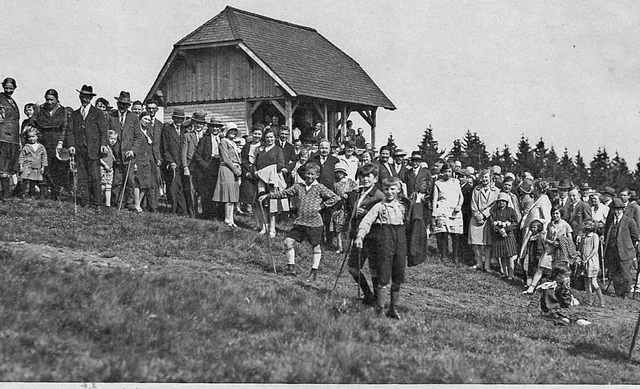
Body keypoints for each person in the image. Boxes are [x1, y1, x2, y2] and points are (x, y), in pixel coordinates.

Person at [260, 161, 340, 280]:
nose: (310, 176)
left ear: (317, 175)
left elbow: (335, 197)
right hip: (300, 222)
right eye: (308, 174)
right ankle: (290, 267)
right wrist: (268, 196)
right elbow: (284, 193)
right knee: (288, 242)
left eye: (313, 174)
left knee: (316, 247)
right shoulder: (299, 186)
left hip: (315, 223)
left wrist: (322, 206)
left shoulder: (319, 188)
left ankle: (314, 271)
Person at [355, 176, 408, 319]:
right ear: (383, 190)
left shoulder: (403, 206)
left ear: (398, 189)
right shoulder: (379, 206)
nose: (389, 192)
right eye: (386, 189)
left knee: (398, 277)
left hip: (400, 243)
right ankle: (380, 309)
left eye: (392, 189)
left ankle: (393, 309)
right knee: (383, 277)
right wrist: (360, 236)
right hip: (385, 242)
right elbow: (366, 221)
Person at [347, 163, 385, 305]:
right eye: (362, 176)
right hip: (359, 236)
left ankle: (376, 299)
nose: (365, 179)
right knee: (353, 268)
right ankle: (368, 294)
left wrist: (369, 214)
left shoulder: (379, 195)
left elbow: (384, 216)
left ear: (375, 179)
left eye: (369, 176)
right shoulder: (358, 192)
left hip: (373, 237)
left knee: (374, 269)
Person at [67, 85, 109, 208]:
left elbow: (103, 131)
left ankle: (97, 203)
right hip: (80, 150)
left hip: (94, 151)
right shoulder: (74, 114)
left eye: (87, 97)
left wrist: (103, 144)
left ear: (90, 98)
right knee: (82, 178)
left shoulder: (98, 113)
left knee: (95, 178)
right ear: (80, 97)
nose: (84, 99)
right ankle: (85, 202)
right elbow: (70, 131)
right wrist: (71, 145)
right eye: (82, 96)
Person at [30, 88, 68, 200]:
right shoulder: (40, 109)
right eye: (47, 99)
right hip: (43, 140)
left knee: (56, 167)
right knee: (43, 166)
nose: (49, 102)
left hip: (57, 141)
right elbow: (33, 123)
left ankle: (55, 193)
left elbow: (65, 127)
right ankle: (43, 192)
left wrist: (61, 142)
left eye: (52, 100)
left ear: (57, 99)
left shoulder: (63, 111)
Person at [109, 91, 141, 210]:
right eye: (121, 104)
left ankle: (129, 203)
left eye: (126, 105)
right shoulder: (111, 116)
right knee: (117, 180)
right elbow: (108, 136)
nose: (123, 107)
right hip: (116, 154)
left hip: (129, 155)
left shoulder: (134, 118)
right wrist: (111, 151)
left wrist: (133, 150)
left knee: (130, 180)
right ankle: (117, 202)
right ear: (117, 103)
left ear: (129, 106)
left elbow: (138, 137)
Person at [254, 127, 288, 237]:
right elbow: (255, 164)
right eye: (267, 137)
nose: (269, 139)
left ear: (275, 138)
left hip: (272, 181)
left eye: (271, 137)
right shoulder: (260, 150)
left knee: (272, 204)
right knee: (262, 203)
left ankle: (272, 228)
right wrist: (256, 172)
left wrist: (267, 171)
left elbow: (281, 164)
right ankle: (264, 226)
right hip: (261, 181)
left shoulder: (278, 150)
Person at [604, 198, 639, 298]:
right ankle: (618, 292)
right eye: (614, 209)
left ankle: (626, 293)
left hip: (625, 251)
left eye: (618, 209)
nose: (616, 211)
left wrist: (628, 246)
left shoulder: (629, 221)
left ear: (622, 209)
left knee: (626, 274)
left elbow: (635, 237)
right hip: (612, 251)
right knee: (615, 273)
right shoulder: (610, 221)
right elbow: (607, 233)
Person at [192, 113, 223, 219]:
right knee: (208, 192)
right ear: (209, 127)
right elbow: (197, 155)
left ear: (220, 129)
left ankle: (220, 214)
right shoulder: (205, 139)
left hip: (220, 166)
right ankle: (208, 214)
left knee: (219, 191)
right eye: (213, 126)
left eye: (217, 127)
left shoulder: (222, 139)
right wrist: (205, 166)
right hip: (208, 167)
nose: (215, 128)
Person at [469, 168, 500, 271]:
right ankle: (478, 262)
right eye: (482, 177)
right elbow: (473, 203)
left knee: (487, 243)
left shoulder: (496, 191)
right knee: (475, 241)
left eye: (486, 177)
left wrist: (484, 215)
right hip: (476, 218)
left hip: (488, 219)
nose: (484, 179)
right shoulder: (476, 189)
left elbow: (495, 205)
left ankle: (487, 264)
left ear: (490, 178)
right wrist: (477, 215)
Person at [432, 163, 464, 262]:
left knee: (455, 235)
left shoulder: (456, 182)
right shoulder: (438, 183)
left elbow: (461, 196)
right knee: (443, 234)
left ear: (452, 172)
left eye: (449, 171)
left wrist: (459, 205)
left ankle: (455, 257)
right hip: (442, 210)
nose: (447, 173)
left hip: (454, 211)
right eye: (445, 171)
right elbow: (435, 199)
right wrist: (434, 213)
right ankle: (444, 255)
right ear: (442, 172)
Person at [213, 123, 242, 227]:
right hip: (227, 169)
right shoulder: (223, 142)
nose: (233, 133)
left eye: (235, 131)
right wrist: (236, 170)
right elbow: (226, 159)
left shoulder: (233, 143)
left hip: (234, 168)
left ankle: (231, 219)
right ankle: (227, 219)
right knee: (229, 195)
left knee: (233, 196)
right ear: (227, 132)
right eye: (231, 131)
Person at [161, 108, 188, 214]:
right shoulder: (167, 129)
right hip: (172, 164)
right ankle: (173, 210)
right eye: (177, 118)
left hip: (182, 163)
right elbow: (165, 148)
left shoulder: (184, 131)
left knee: (181, 187)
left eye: (181, 119)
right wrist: (170, 161)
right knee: (172, 187)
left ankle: (182, 210)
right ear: (173, 118)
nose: (179, 121)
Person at [488, 193, 519, 279]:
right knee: (502, 255)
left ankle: (511, 274)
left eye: (503, 201)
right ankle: (504, 272)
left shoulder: (511, 211)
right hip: (499, 235)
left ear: (506, 202)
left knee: (509, 255)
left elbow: (515, 223)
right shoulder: (494, 212)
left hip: (508, 235)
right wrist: (499, 230)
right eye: (500, 201)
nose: (501, 203)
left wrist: (506, 229)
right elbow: (492, 223)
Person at [182, 111, 206, 217]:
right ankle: (192, 213)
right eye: (196, 123)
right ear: (193, 124)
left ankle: (203, 212)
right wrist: (185, 167)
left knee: (202, 189)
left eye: (201, 124)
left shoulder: (206, 136)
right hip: (191, 166)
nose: (198, 126)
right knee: (191, 190)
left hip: (202, 168)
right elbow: (183, 153)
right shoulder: (188, 136)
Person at [0, 78, 21, 199]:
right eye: (6, 88)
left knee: (8, 166)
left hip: (12, 138)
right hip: (3, 137)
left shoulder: (12, 101)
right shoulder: (0, 99)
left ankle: (6, 194)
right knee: (2, 166)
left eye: (11, 88)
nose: (8, 90)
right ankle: (6, 194)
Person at [331, 162, 357, 253]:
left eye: (341, 172)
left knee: (349, 227)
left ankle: (350, 247)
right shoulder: (334, 183)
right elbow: (332, 194)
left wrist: (349, 195)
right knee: (339, 227)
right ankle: (340, 246)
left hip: (349, 207)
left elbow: (356, 192)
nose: (339, 174)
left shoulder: (350, 182)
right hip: (339, 207)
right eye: (337, 172)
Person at [133, 111, 156, 212]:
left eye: (149, 120)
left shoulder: (149, 131)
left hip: (147, 160)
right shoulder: (136, 130)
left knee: (146, 184)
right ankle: (136, 205)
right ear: (140, 118)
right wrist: (133, 162)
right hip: (138, 159)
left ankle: (138, 203)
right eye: (145, 119)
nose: (147, 121)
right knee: (138, 182)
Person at [578, 220, 604, 307]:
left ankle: (602, 301)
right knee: (586, 282)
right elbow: (581, 249)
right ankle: (590, 301)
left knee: (593, 282)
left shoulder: (594, 236)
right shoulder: (583, 237)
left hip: (592, 262)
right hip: (584, 261)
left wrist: (588, 258)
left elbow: (595, 249)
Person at [17, 126, 47, 198]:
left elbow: (44, 158)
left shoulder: (41, 147)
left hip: (36, 166)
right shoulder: (26, 147)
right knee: (25, 180)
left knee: (33, 181)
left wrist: (43, 167)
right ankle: (22, 194)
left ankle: (32, 195)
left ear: (37, 136)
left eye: (33, 136)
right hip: (27, 166)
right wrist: (21, 166)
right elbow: (21, 156)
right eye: (29, 137)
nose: (31, 139)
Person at [523, 219, 546, 292]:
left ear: (539, 228)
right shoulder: (532, 236)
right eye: (532, 227)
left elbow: (540, 248)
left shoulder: (539, 237)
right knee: (529, 269)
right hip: (531, 255)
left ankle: (534, 286)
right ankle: (528, 284)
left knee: (535, 270)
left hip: (536, 256)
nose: (532, 229)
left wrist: (538, 256)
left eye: (535, 227)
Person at [100, 130, 117, 207]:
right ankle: (99, 201)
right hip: (103, 168)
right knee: (103, 186)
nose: (113, 141)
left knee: (109, 186)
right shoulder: (105, 147)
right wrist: (105, 165)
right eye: (111, 139)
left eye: (115, 139)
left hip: (110, 169)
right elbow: (99, 158)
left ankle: (108, 203)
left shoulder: (111, 148)